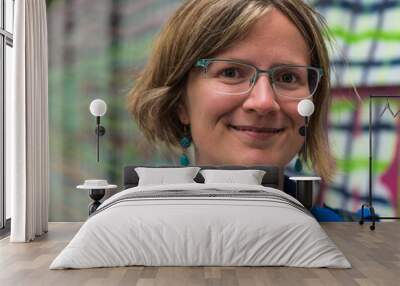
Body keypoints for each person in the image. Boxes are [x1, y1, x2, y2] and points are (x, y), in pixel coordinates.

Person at [127, 0, 369, 222]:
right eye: (231, 73)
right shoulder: (135, 235)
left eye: (287, 77)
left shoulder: (358, 238)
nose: (263, 102)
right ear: (180, 102)